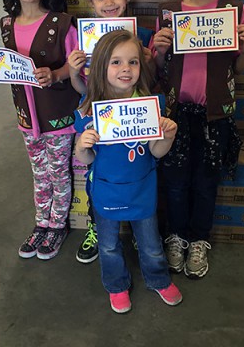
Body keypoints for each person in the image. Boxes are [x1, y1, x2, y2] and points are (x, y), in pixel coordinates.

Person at [152, 0, 244, 279]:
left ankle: (199, 239)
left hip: (217, 116)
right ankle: (177, 236)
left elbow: (241, 68)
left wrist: (243, 48)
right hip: (175, 115)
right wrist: (160, 51)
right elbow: (158, 69)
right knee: (177, 182)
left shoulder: (234, 10)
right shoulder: (168, 12)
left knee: (206, 181)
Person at [0, 0, 80, 260]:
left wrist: (57, 74)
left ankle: (57, 226)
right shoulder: (7, 25)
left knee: (59, 174)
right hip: (26, 118)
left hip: (57, 118)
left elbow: (76, 65)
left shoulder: (61, 24)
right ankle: (41, 224)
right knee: (39, 173)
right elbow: (13, 67)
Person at [75, 29, 182, 313]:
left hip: (142, 188)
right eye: (116, 62)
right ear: (100, 66)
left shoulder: (150, 105)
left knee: (151, 243)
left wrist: (167, 137)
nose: (126, 69)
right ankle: (116, 285)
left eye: (133, 62)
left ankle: (158, 279)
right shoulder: (88, 108)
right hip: (106, 190)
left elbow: (156, 152)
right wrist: (83, 145)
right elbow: (85, 159)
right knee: (108, 246)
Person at [68, 0, 155, 264]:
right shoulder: (85, 38)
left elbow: (150, 81)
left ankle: (141, 233)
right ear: (91, 2)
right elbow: (82, 88)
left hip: (131, 117)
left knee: (132, 172)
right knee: (99, 178)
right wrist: (71, 70)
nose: (109, 3)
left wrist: (148, 58)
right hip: (98, 117)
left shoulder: (142, 34)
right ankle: (98, 229)